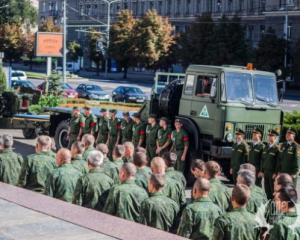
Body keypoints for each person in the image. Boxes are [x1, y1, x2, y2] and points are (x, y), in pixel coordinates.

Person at [258, 129, 280, 200]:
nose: (270, 137)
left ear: (275, 137)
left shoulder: (277, 149)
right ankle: (269, 205)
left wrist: (275, 173)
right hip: (266, 171)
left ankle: (273, 207)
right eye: (269, 136)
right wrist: (261, 170)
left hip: (272, 172)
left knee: (273, 190)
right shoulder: (266, 147)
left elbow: (278, 162)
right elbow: (262, 160)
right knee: (267, 190)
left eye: (272, 136)